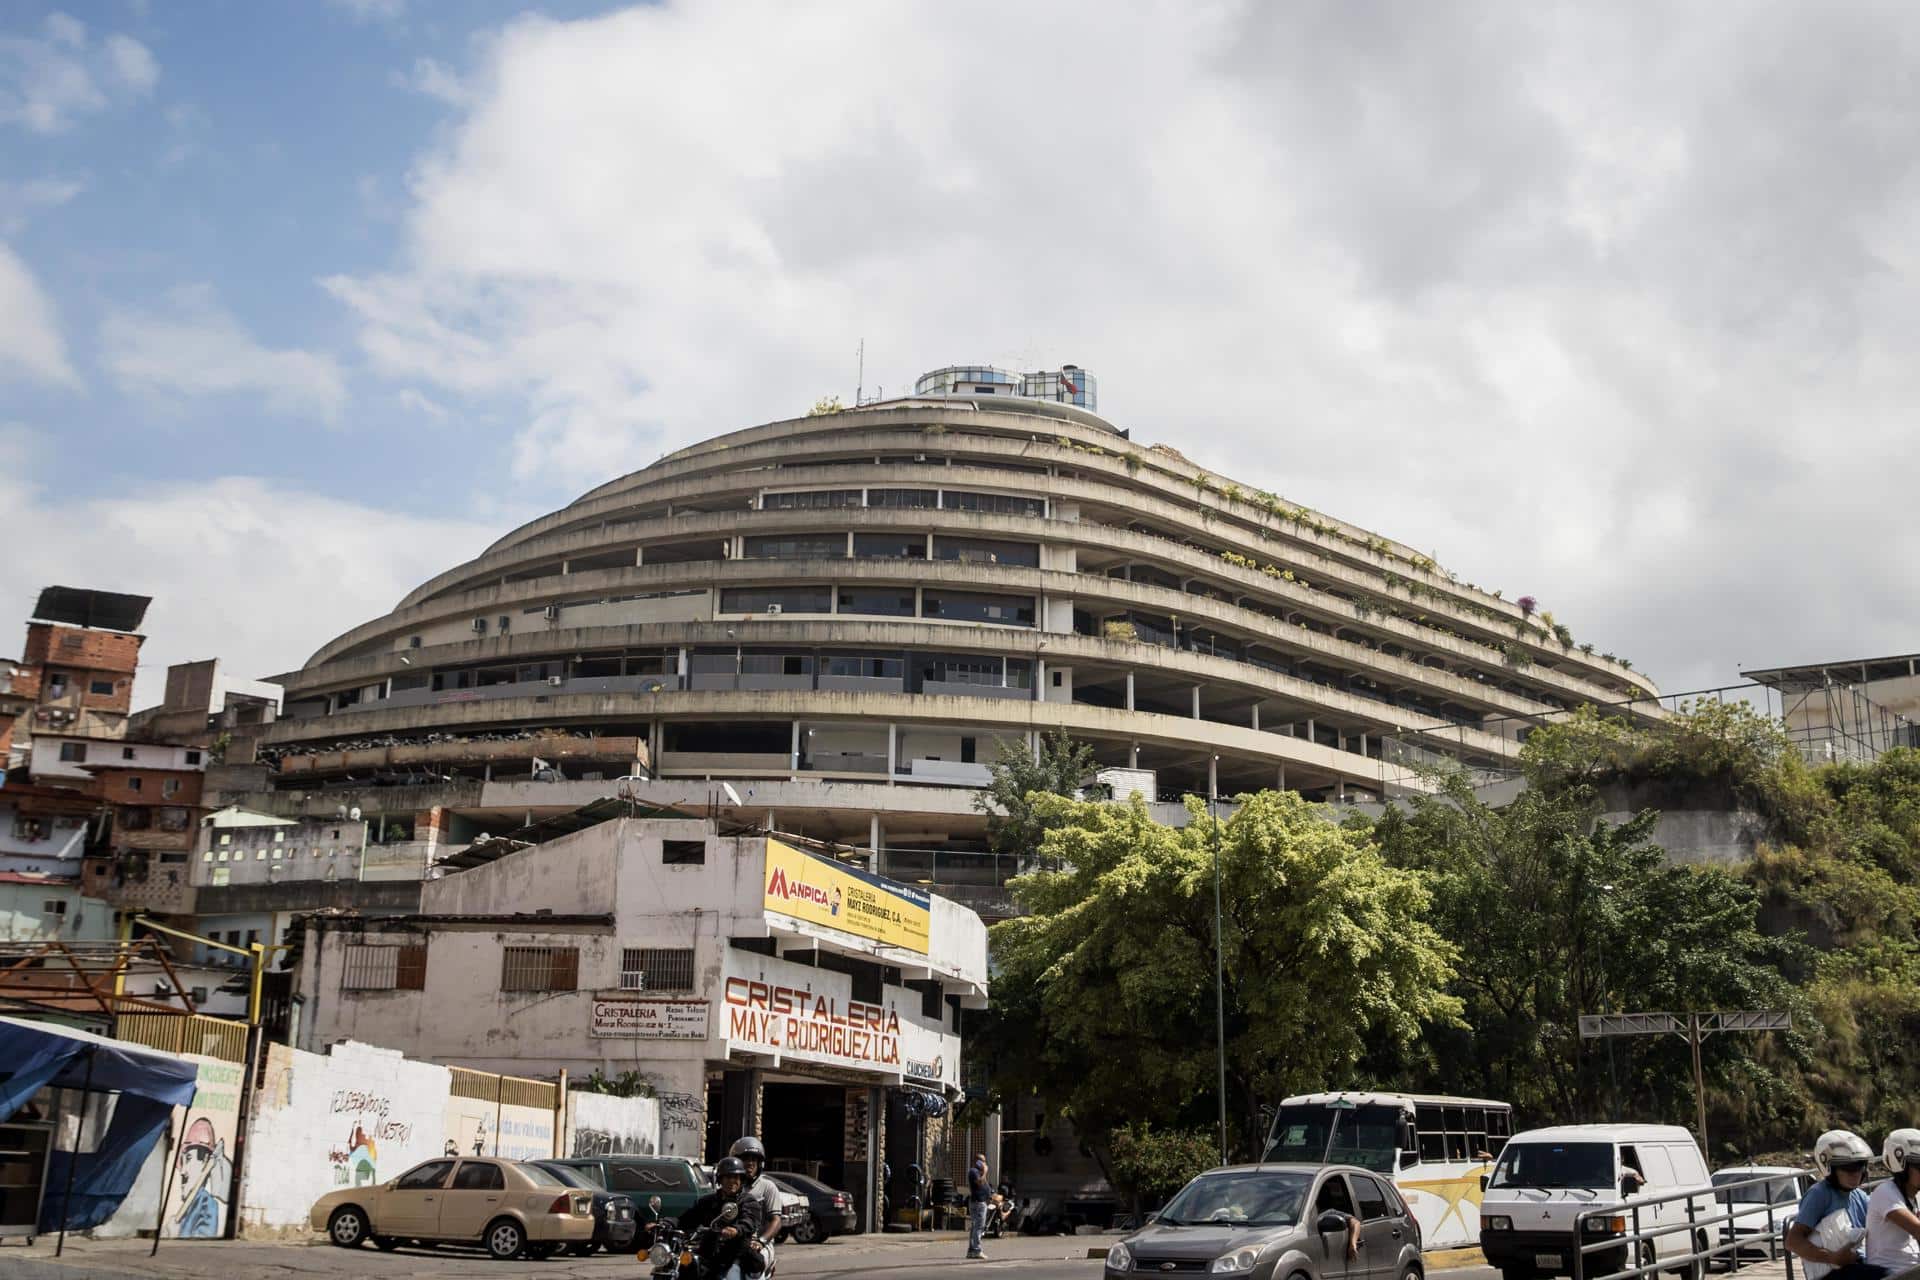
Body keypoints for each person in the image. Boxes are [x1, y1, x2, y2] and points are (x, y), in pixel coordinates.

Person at [1788, 1129, 1881, 1280]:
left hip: (1853, 1264)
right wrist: (1832, 1258)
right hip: (1831, 1272)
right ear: (1829, 1167)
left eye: (1860, 1166)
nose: (1855, 1173)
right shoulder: (1819, 1194)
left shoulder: (1858, 1195)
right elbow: (1793, 1241)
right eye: (1848, 1168)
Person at [679, 1155, 766, 1280]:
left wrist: (736, 1230)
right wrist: (666, 1223)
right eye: (728, 1177)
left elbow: (749, 1220)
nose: (732, 1181)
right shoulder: (708, 1202)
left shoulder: (748, 1201)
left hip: (735, 1255)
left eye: (736, 1177)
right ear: (720, 1179)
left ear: (741, 1180)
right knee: (685, 1269)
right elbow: (686, 1219)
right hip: (709, 1254)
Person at [1866, 1129, 1920, 1274]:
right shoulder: (1886, 1192)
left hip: (1911, 1270)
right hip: (1891, 1272)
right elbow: (1917, 1229)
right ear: (1901, 1165)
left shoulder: (1914, 1197)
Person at [728, 1135, 783, 1257]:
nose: (750, 1163)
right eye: (745, 1159)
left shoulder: (767, 1187)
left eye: (754, 1159)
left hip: (758, 1243)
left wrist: (761, 1241)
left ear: (760, 1163)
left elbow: (776, 1220)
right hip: (732, 1241)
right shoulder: (729, 1187)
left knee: (753, 1268)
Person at [967, 1153, 992, 1260]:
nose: (984, 1163)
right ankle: (977, 1250)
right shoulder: (973, 1171)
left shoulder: (979, 1172)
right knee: (978, 1226)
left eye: (985, 1161)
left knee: (975, 1227)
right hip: (978, 1203)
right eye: (982, 1161)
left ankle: (972, 1250)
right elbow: (979, 1182)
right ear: (977, 1161)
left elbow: (984, 1184)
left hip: (981, 1202)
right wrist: (985, 1172)